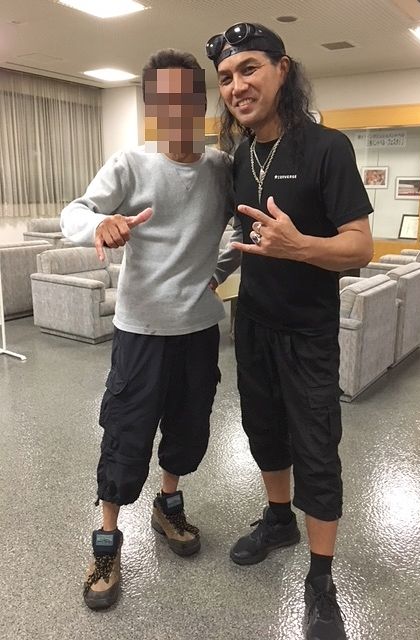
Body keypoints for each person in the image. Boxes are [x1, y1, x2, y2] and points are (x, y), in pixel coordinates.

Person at [205, 23, 374, 640]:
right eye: (226, 77)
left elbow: (360, 246)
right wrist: (203, 279)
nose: (237, 86)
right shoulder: (240, 158)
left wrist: (300, 246)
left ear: (283, 68)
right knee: (263, 433)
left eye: (249, 68)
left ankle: (321, 580)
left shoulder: (328, 148)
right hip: (252, 323)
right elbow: (242, 240)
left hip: (308, 332)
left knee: (317, 451)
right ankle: (279, 520)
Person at [61, 49, 238, 610]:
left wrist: (219, 272)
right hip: (140, 331)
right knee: (126, 433)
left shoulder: (221, 168)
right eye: (163, 101)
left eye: (186, 98)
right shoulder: (131, 165)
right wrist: (101, 223)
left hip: (198, 330)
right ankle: (107, 541)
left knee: (188, 427)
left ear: (201, 101)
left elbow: (244, 228)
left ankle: (168, 505)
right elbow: (74, 212)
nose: (176, 111)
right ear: (150, 108)